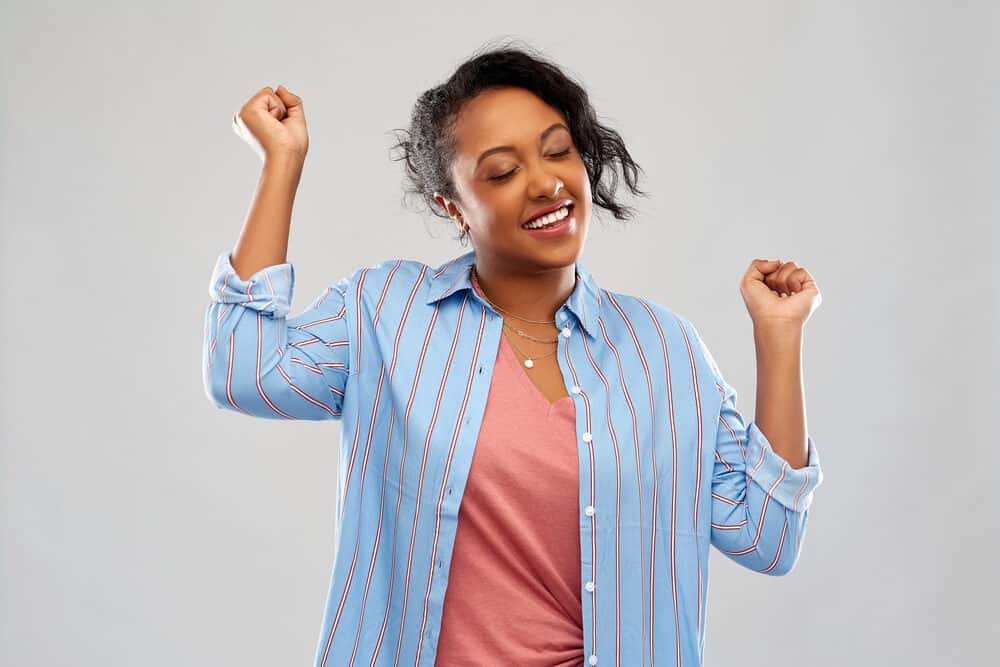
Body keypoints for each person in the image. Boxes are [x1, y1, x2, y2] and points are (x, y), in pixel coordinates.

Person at [203, 41, 824, 667]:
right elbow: (242, 369)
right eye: (502, 171)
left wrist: (778, 338)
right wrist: (282, 164)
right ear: (453, 207)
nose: (546, 181)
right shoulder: (386, 312)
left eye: (559, 151)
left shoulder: (664, 349)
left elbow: (768, 538)